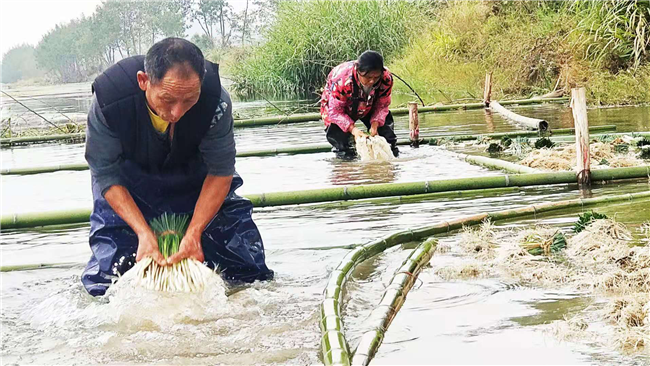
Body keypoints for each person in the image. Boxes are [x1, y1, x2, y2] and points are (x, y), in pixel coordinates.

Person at [82, 37, 273, 296]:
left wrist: (194, 232)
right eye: (168, 99)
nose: (176, 112)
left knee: (247, 274)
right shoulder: (109, 100)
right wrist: (143, 233)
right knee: (107, 281)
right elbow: (105, 173)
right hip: (129, 183)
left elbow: (220, 171)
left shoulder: (216, 102)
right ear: (144, 81)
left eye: (189, 100)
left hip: (197, 178)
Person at [320, 50, 399, 159]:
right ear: (358, 71)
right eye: (368, 77)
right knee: (342, 145)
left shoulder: (386, 78)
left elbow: (382, 105)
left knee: (387, 137)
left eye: (376, 77)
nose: (372, 81)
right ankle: (346, 166)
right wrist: (354, 130)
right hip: (340, 108)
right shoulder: (342, 79)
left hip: (369, 103)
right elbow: (335, 112)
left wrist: (375, 123)